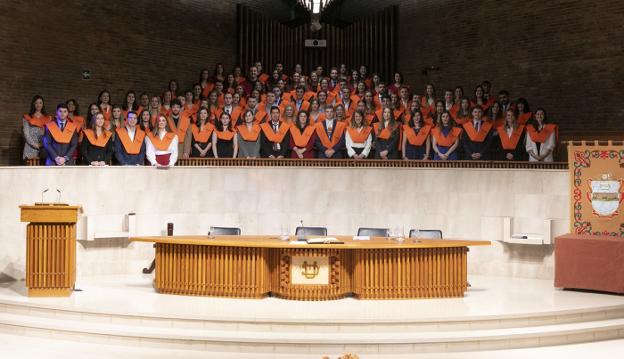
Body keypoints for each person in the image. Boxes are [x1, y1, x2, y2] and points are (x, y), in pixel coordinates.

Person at [22, 95, 51, 161]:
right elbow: (26, 134)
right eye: (36, 103)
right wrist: (35, 145)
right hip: (30, 147)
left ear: (43, 104)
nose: (38, 105)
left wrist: (42, 144)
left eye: (40, 103)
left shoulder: (47, 118)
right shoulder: (27, 117)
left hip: (44, 147)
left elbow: (49, 134)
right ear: (33, 104)